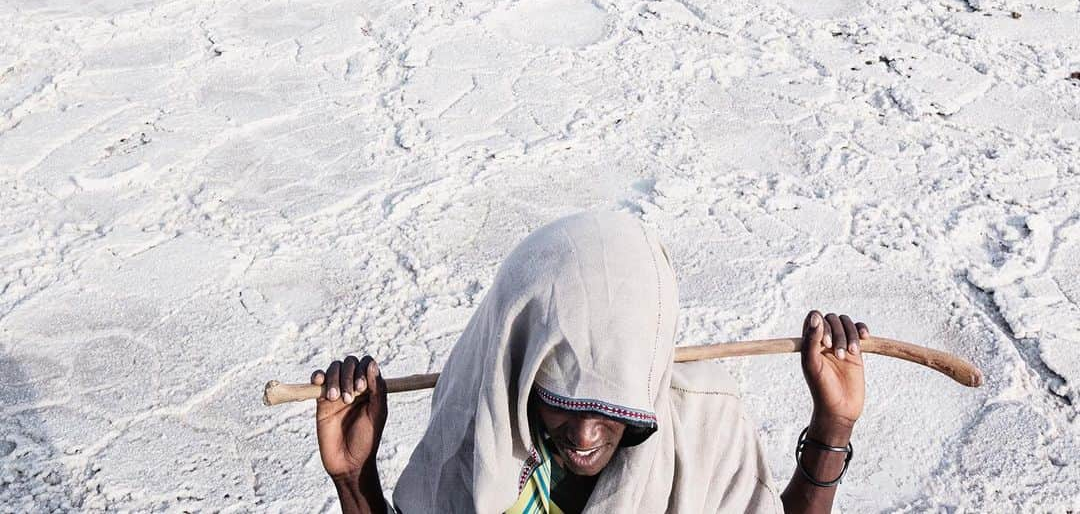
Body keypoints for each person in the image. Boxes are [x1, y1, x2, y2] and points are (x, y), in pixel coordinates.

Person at [313, 211, 869, 513]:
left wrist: (833, 422)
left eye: (610, 409)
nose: (582, 434)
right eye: (559, 401)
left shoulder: (704, 423)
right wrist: (354, 479)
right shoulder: (480, 422)